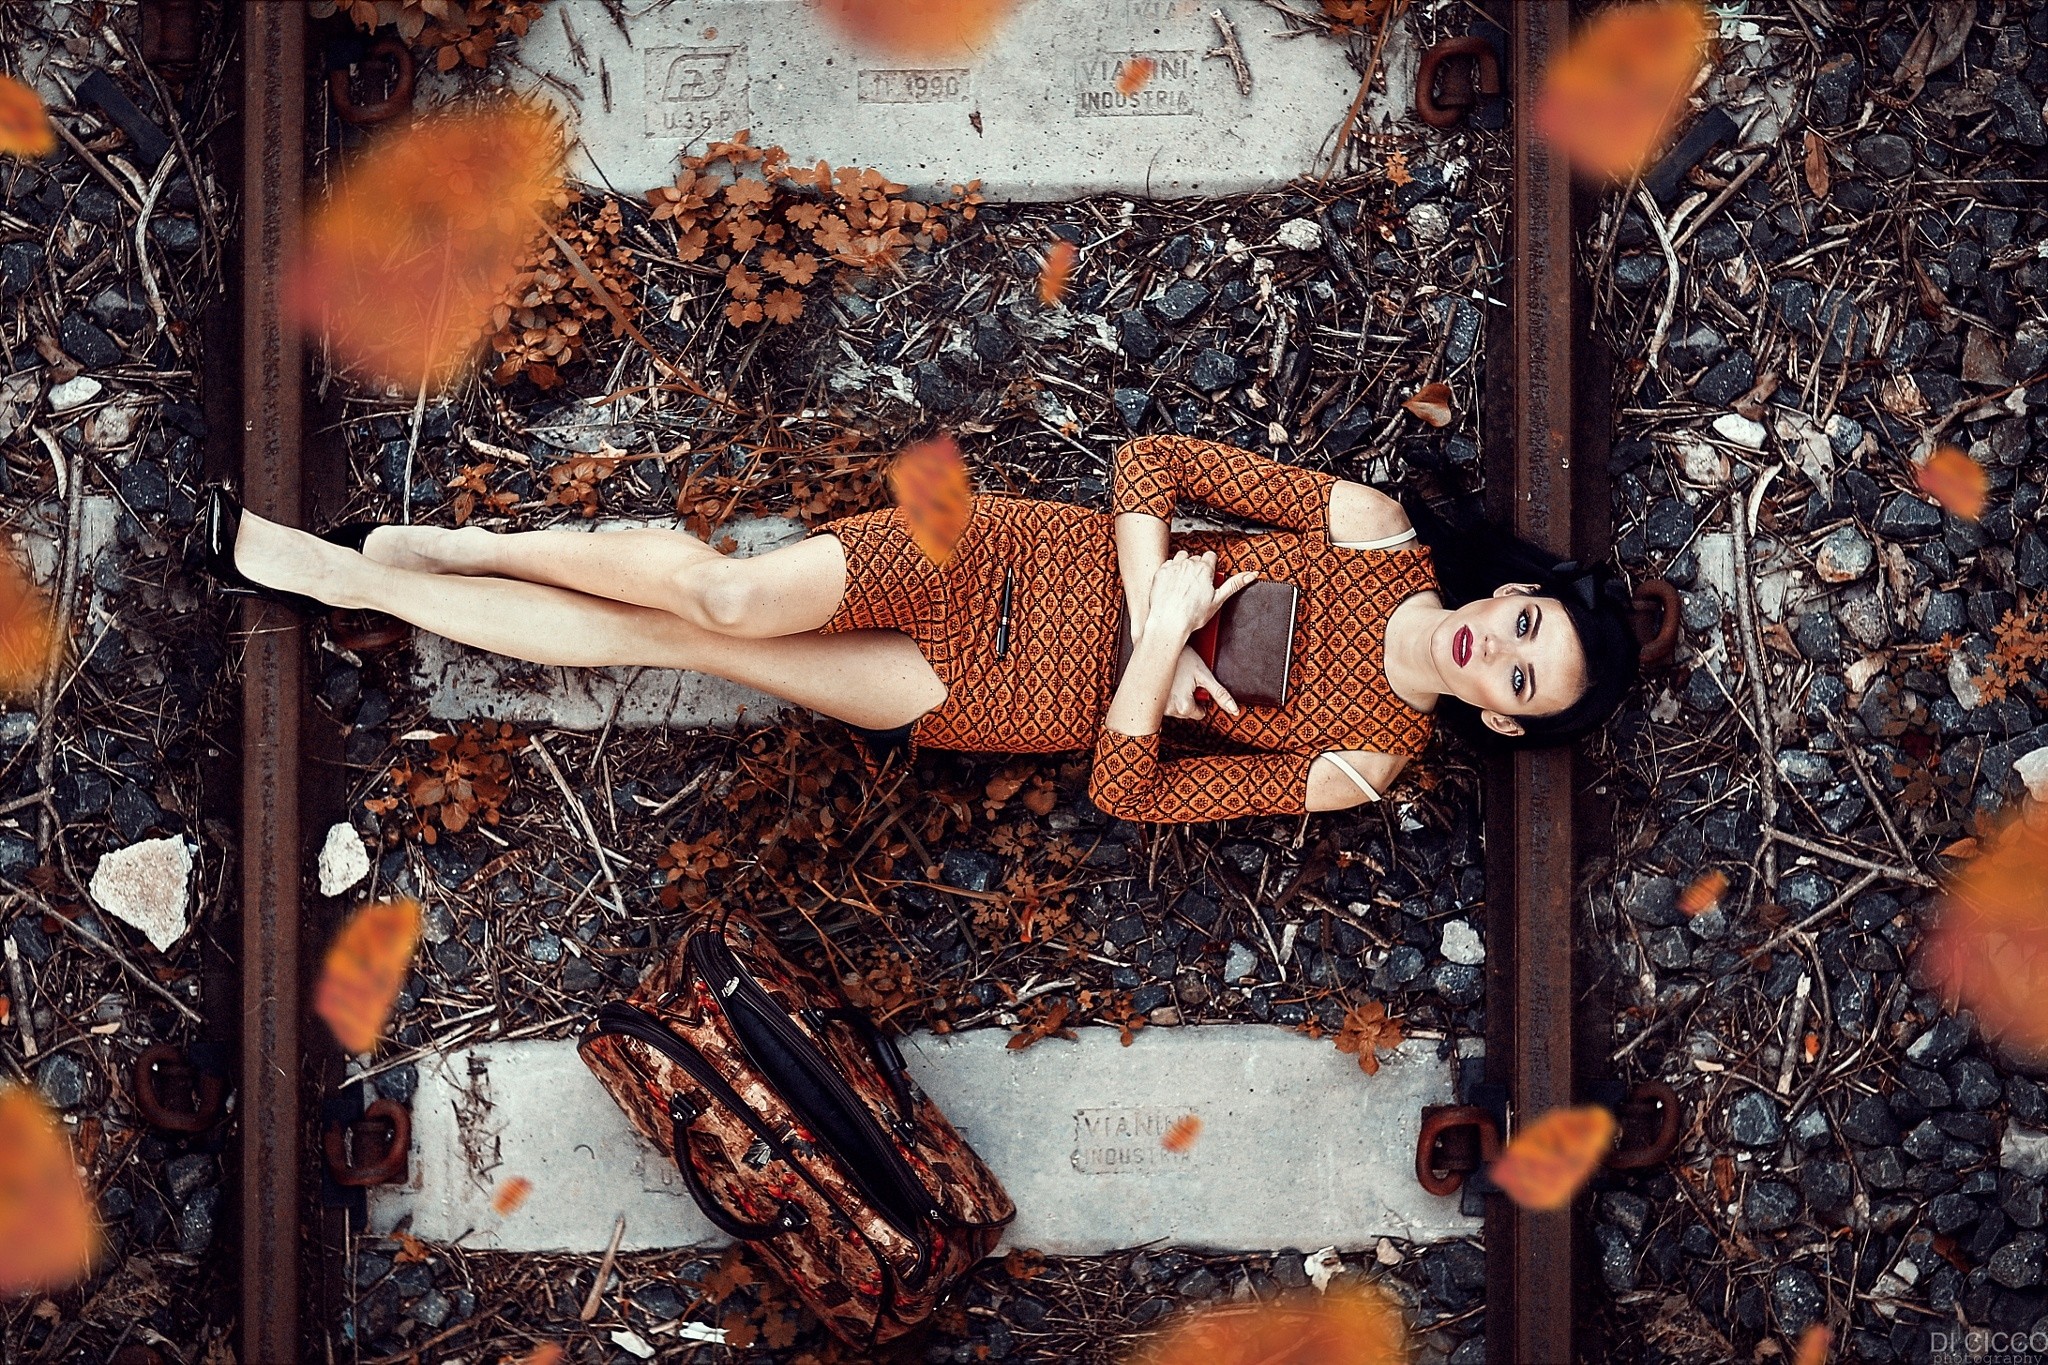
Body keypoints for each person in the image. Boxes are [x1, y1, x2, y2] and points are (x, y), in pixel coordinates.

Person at [205, 436, 1639, 824]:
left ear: (1504, 717)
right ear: (1510, 591)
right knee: (720, 589)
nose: (1499, 647)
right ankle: (459, 545)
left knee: (689, 648)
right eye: (1526, 621)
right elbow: (1151, 466)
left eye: (1524, 676)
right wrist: (1164, 604)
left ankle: (365, 587)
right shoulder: (1378, 534)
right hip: (1000, 551)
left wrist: (1153, 659)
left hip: (983, 692)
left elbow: (1127, 789)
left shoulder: (1363, 760)